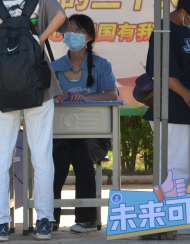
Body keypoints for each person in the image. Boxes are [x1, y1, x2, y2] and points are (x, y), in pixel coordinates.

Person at [0, 0, 68, 241]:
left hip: (1, 92)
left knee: (1, 156)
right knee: (41, 155)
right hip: (39, 86)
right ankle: (43, 222)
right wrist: (38, 40)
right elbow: (61, 16)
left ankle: (0, 225)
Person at [142, 0, 190, 237]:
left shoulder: (184, 29)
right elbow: (163, 73)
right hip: (171, 108)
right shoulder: (164, 31)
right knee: (175, 167)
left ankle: (175, 217)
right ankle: (169, 220)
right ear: (184, 12)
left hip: (186, 108)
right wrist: (185, 94)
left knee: (184, 166)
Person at [51, 14, 118, 233]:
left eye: (78, 31)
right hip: (61, 135)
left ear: (89, 37)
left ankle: (86, 218)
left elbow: (112, 94)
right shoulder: (54, 67)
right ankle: (49, 217)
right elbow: (40, 96)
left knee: (81, 154)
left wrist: (86, 99)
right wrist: (55, 94)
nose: (72, 35)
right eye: (69, 30)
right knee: (57, 155)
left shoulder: (101, 65)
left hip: (94, 137)